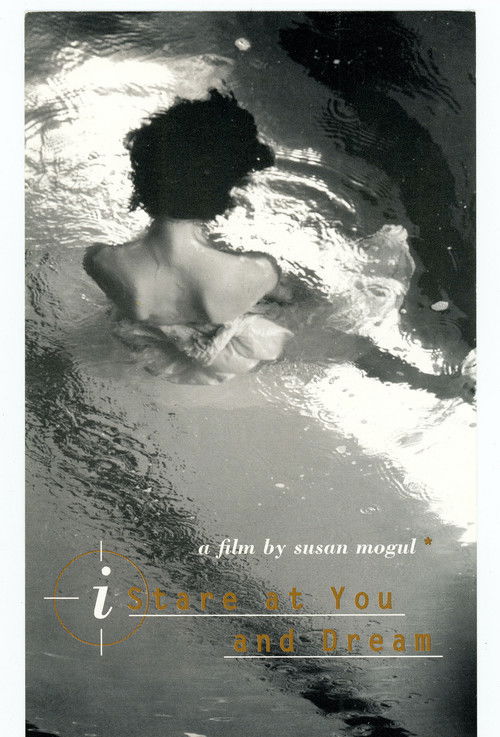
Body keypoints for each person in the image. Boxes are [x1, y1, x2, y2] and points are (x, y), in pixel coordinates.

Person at [84, 89, 293, 382]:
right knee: (293, 298)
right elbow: (285, 297)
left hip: (146, 352)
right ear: (230, 190)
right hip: (230, 360)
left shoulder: (100, 261)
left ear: (141, 179)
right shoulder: (258, 270)